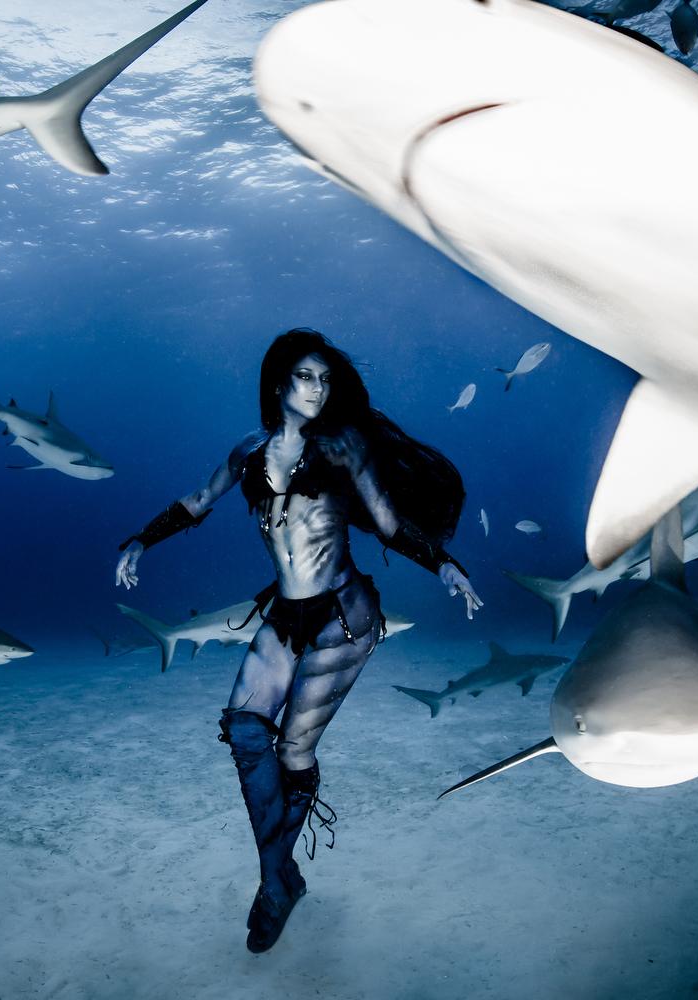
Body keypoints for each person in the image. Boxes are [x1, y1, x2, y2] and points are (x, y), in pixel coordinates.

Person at [115, 328, 481, 953]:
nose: (318, 389)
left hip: (344, 617)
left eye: (326, 379)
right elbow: (196, 501)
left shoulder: (344, 448)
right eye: (307, 377)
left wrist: (444, 564)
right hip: (285, 614)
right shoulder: (248, 452)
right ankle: (281, 877)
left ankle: (274, 887)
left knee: (291, 751)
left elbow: (389, 524)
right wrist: (141, 540)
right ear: (279, 382)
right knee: (243, 728)